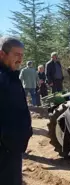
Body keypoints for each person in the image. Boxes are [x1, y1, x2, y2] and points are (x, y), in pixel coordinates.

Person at [0, 36, 33, 185]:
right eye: (16, 54)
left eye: (22, 55)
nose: (20, 59)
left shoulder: (11, 76)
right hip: (5, 150)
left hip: (13, 148)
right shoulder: (3, 79)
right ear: (2, 54)